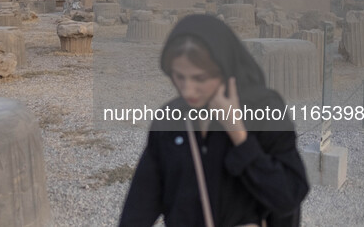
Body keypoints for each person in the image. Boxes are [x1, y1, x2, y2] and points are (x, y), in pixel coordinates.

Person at [118, 14, 310, 227]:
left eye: (199, 78)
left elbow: (289, 195)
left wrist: (238, 134)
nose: (187, 90)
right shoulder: (169, 118)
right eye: (179, 76)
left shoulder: (264, 109)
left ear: (226, 69)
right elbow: (141, 203)